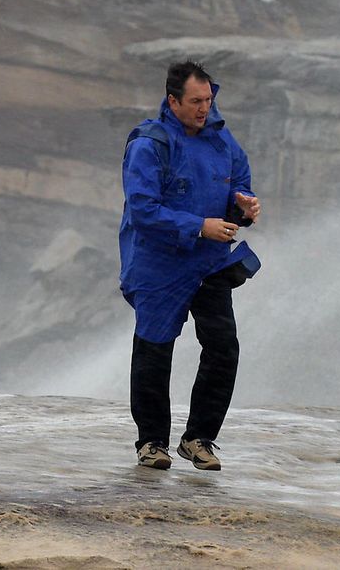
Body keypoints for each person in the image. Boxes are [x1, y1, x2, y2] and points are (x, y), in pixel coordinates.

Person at [118, 60, 261, 471]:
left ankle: (199, 439)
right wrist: (199, 226)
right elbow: (143, 209)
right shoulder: (150, 143)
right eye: (196, 101)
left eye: (209, 100)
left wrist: (245, 205)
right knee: (155, 349)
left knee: (223, 347)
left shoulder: (222, 140)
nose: (204, 109)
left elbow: (240, 185)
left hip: (210, 264)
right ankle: (151, 443)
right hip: (158, 263)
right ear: (173, 100)